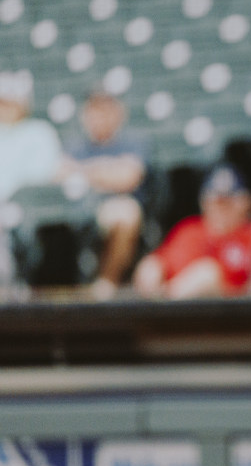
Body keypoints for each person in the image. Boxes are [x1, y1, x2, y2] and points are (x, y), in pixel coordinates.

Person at [58, 91, 148, 300]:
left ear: (118, 115)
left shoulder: (133, 142)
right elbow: (59, 174)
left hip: (110, 206)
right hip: (76, 209)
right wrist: (105, 170)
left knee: (125, 213)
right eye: (94, 113)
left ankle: (106, 282)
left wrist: (84, 171)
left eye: (105, 112)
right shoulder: (76, 145)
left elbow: (128, 177)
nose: (99, 119)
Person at [131, 164, 251, 299]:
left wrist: (172, 294)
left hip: (228, 312)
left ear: (246, 202)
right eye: (217, 201)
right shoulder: (189, 229)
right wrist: (153, 267)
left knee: (207, 274)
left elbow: (232, 282)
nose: (222, 208)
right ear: (205, 202)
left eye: (228, 202)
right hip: (178, 308)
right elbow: (161, 260)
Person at [0, 70, 62, 203]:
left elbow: (42, 174)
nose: (5, 109)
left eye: (10, 103)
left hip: (27, 203)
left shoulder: (40, 132)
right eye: (3, 103)